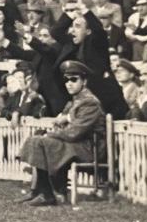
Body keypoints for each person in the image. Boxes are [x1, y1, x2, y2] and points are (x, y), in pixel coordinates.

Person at [16, 61, 105, 206]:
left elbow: (74, 132)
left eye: (74, 79)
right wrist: (61, 123)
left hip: (88, 148)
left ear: (84, 82)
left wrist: (52, 133)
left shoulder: (89, 102)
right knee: (37, 139)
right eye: (66, 80)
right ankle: (38, 191)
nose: (69, 84)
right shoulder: (75, 101)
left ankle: (46, 194)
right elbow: (61, 125)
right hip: (75, 144)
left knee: (41, 141)